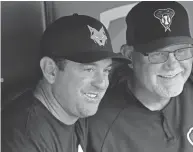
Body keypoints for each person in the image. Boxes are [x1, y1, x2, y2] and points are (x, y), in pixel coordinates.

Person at [87, 1, 193, 152]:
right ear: (129, 55)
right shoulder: (100, 126)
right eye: (158, 54)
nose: (172, 65)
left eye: (182, 51)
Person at [2, 14, 131, 152]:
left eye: (106, 70)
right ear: (50, 70)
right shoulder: (22, 138)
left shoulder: (73, 110)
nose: (102, 83)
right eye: (89, 69)